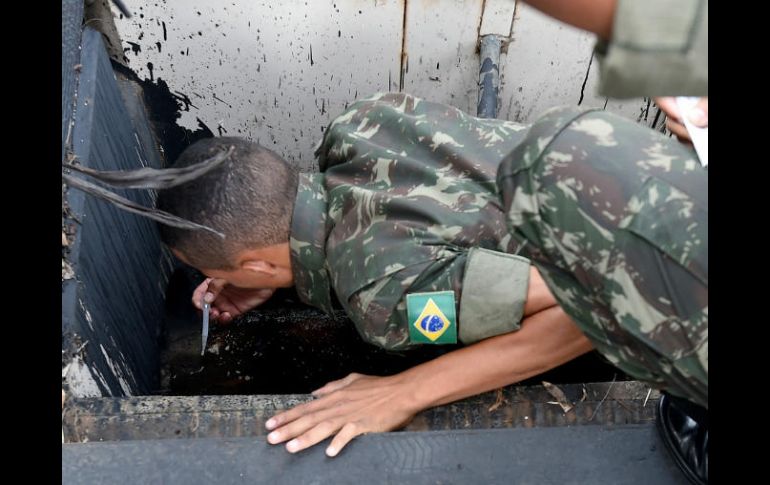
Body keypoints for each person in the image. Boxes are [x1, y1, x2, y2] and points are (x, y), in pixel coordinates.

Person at [157, 92, 593, 457]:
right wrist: (277, 278)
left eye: (208, 270)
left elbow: (591, 307)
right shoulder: (360, 123)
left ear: (257, 264)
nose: (211, 282)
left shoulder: (382, 297)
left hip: (644, 270)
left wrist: (404, 392)